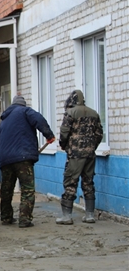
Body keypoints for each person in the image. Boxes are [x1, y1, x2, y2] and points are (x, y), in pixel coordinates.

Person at [0, 95, 56, 228]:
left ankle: (6, 217)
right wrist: (49, 135)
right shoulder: (24, 111)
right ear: (22, 104)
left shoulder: (4, 119)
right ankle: (24, 219)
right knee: (27, 189)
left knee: (6, 189)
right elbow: (39, 119)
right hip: (23, 157)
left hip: (5, 159)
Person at [56, 90, 103, 225]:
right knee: (88, 182)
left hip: (75, 155)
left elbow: (64, 132)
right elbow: (99, 134)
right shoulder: (94, 113)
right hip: (90, 154)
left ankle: (66, 216)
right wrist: (92, 147)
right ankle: (89, 215)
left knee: (70, 182)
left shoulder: (70, 113)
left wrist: (64, 146)